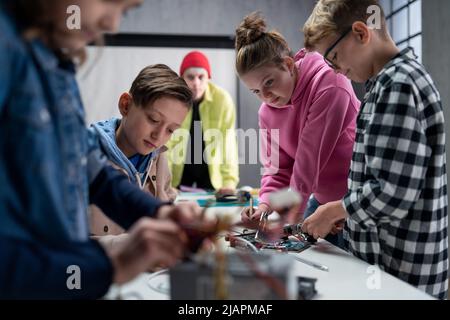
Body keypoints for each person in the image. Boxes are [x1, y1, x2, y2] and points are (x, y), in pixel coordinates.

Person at [0, 0, 201, 299]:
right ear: (126, 105)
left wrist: (160, 213)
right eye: (109, 1)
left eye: (126, 10)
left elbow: (90, 171)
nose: (113, 25)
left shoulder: (55, 60)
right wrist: (110, 264)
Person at [301, 0, 448, 299]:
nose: (338, 71)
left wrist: (336, 209)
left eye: (334, 57)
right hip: (389, 263)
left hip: (404, 272)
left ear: (360, 32)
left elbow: (394, 193)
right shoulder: (385, 83)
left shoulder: (398, 85)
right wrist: (350, 214)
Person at [235, 12, 360, 247]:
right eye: (256, 92)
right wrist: (264, 206)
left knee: (350, 274)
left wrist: (287, 221)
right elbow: (278, 171)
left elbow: (306, 165)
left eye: (269, 82)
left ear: (288, 65)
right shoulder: (267, 112)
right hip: (319, 200)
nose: (266, 97)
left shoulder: (330, 83)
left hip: (354, 204)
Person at [88, 64, 192, 247]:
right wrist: (131, 245)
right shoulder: (85, 158)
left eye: (170, 130)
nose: (159, 136)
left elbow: (167, 198)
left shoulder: (158, 157)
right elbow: (62, 244)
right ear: (126, 105)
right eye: (153, 120)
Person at [167, 50, 239, 195]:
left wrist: (229, 183)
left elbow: (228, 144)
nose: (196, 83)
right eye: (190, 77)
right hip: (178, 175)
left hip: (211, 175)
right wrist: (164, 183)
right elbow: (166, 145)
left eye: (201, 77)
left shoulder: (222, 100)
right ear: (181, 78)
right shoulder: (171, 100)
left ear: (208, 78)